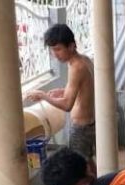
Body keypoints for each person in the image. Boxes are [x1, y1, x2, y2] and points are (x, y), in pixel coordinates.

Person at [28, 24, 96, 160]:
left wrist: (43, 96)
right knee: (87, 164)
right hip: (89, 124)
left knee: (79, 169)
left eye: (58, 49)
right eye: (52, 50)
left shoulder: (76, 67)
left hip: (81, 128)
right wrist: (63, 91)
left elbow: (67, 105)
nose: (55, 54)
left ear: (71, 46)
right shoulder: (85, 60)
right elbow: (86, 87)